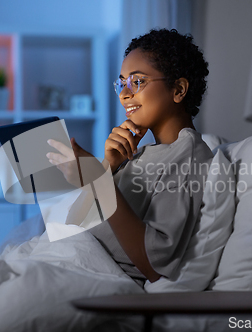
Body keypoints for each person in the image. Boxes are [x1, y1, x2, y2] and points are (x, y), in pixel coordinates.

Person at [46, 28, 213, 286]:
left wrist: (98, 180)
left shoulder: (187, 155)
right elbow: (77, 223)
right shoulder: (140, 153)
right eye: (121, 83)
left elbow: (155, 263)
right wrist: (108, 166)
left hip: (91, 277)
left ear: (178, 89)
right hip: (62, 258)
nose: (124, 94)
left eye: (137, 81)